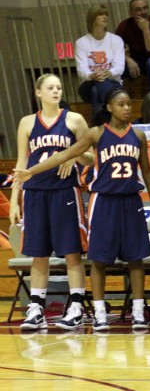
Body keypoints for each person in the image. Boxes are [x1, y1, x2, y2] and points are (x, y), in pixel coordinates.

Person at [14, 88, 150, 332]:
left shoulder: (138, 135)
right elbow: (64, 154)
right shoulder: (96, 133)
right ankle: (100, 312)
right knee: (99, 259)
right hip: (103, 201)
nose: (127, 108)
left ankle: (137, 310)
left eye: (129, 104)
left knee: (135, 259)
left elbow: (147, 172)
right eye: (121, 104)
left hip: (131, 200)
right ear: (109, 107)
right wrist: (31, 171)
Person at [10, 74, 93, 331]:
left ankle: (76, 305)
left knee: (72, 251)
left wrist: (73, 156)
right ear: (38, 92)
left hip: (64, 191)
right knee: (39, 253)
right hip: (35, 193)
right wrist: (14, 200)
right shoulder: (26, 123)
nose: (56, 91)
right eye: (50, 87)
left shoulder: (74, 120)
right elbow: (21, 164)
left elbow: (91, 156)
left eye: (58, 87)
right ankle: (36, 308)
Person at [75, 4, 124, 123]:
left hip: (113, 83)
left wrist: (108, 73)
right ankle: (114, 118)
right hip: (88, 84)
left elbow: (119, 67)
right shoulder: (81, 43)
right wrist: (92, 75)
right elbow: (81, 70)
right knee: (98, 83)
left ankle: (98, 123)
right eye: (101, 14)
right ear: (92, 18)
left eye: (106, 14)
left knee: (96, 91)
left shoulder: (116, 40)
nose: (105, 17)